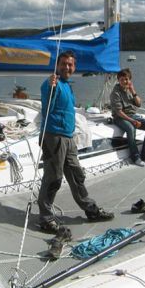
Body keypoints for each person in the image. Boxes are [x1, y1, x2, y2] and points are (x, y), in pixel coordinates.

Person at [37, 50, 114, 233]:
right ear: (57, 66)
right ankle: (46, 218)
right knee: (53, 178)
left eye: (70, 64)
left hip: (68, 137)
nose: (67, 67)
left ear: (74, 67)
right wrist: (51, 85)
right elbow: (48, 96)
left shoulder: (67, 86)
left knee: (76, 175)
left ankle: (90, 209)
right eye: (63, 64)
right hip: (53, 135)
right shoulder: (52, 84)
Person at [110, 68, 145, 167]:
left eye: (127, 79)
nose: (124, 81)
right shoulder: (115, 92)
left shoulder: (129, 90)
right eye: (122, 79)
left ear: (130, 80)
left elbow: (139, 104)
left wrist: (133, 91)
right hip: (120, 117)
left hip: (132, 115)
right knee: (131, 128)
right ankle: (135, 157)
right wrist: (132, 121)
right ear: (118, 80)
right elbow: (118, 112)